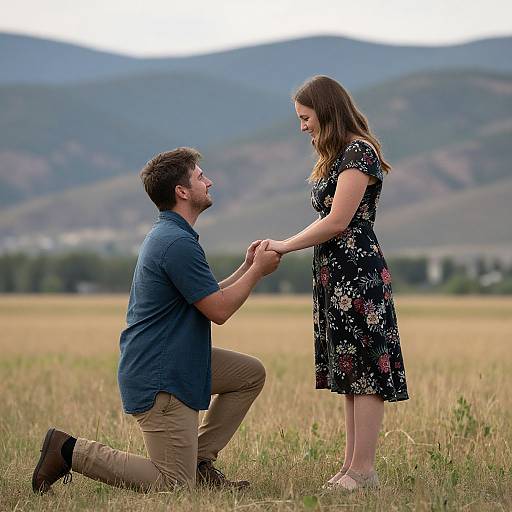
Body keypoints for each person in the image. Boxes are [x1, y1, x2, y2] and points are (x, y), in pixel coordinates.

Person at [32, 147, 281, 494]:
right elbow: (219, 311)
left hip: (176, 360)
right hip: (161, 376)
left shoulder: (171, 236)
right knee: (173, 484)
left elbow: (207, 297)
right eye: (199, 177)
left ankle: (199, 461)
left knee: (249, 374)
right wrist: (257, 273)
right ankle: (68, 450)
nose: (209, 182)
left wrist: (245, 267)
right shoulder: (176, 243)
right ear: (181, 191)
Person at [264, 76, 409, 491]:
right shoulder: (337, 155)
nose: (302, 126)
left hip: (357, 272)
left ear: (325, 112)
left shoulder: (358, 152)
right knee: (349, 368)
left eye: (305, 118)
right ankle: (352, 466)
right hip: (335, 272)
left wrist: (284, 245)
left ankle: (363, 470)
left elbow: (338, 220)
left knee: (364, 368)